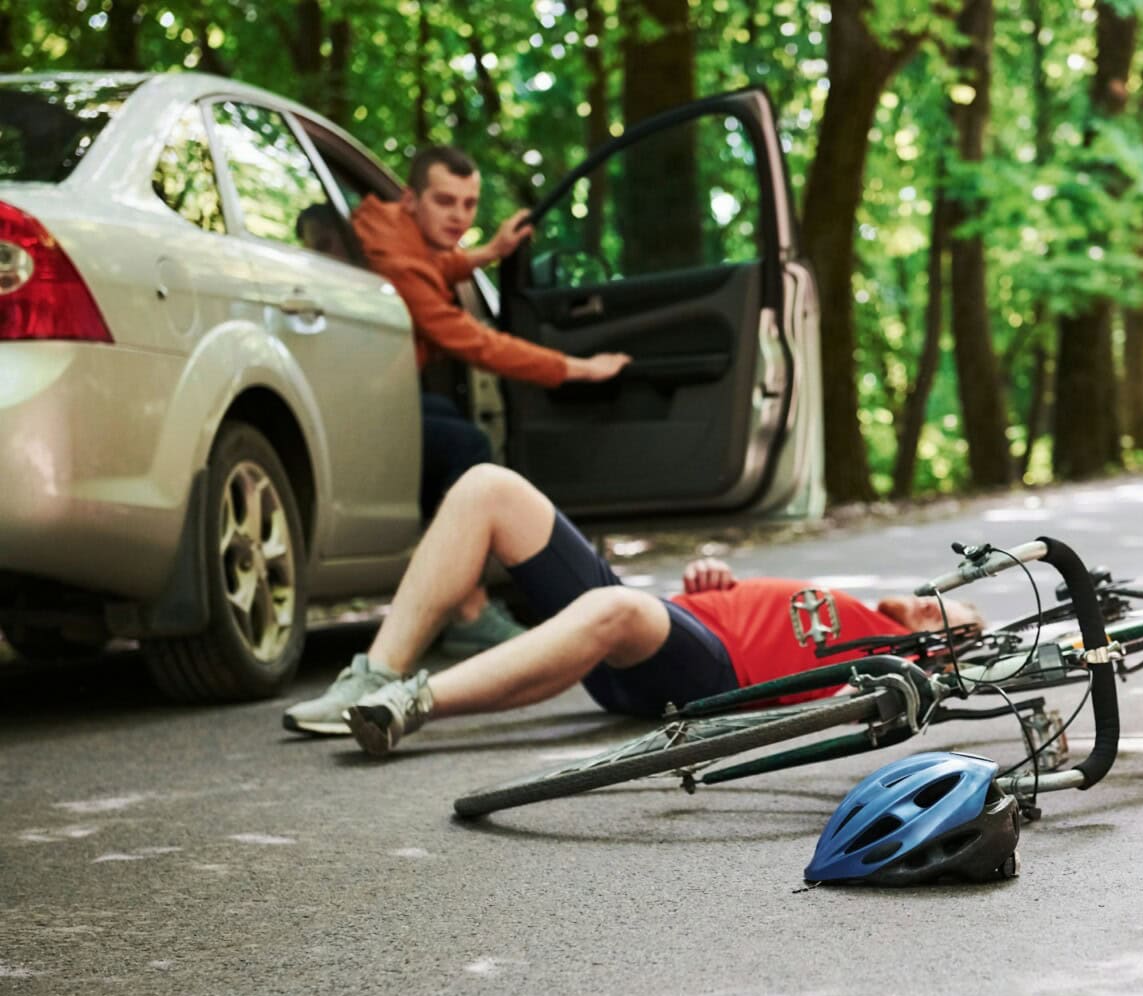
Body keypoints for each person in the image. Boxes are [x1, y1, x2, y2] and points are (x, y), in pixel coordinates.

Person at [281, 465, 982, 755]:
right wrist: (714, 580)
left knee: (616, 607)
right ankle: (375, 671)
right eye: (949, 607)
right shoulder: (865, 611)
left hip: (711, 675)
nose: (946, 611)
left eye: (960, 624)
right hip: (670, 623)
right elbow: (758, 613)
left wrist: (952, 656)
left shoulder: (895, 667)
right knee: (488, 487)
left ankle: (411, 704)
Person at [351, 145, 632, 658]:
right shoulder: (395, 256)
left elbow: (434, 262)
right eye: (445, 202)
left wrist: (488, 253)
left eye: (469, 204)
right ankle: (469, 611)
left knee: (442, 419)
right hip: (358, 405)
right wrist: (577, 369)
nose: (459, 216)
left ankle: (459, 593)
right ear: (412, 199)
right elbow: (474, 341)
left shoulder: (390, 226)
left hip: (378, 393)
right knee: (466, 444)